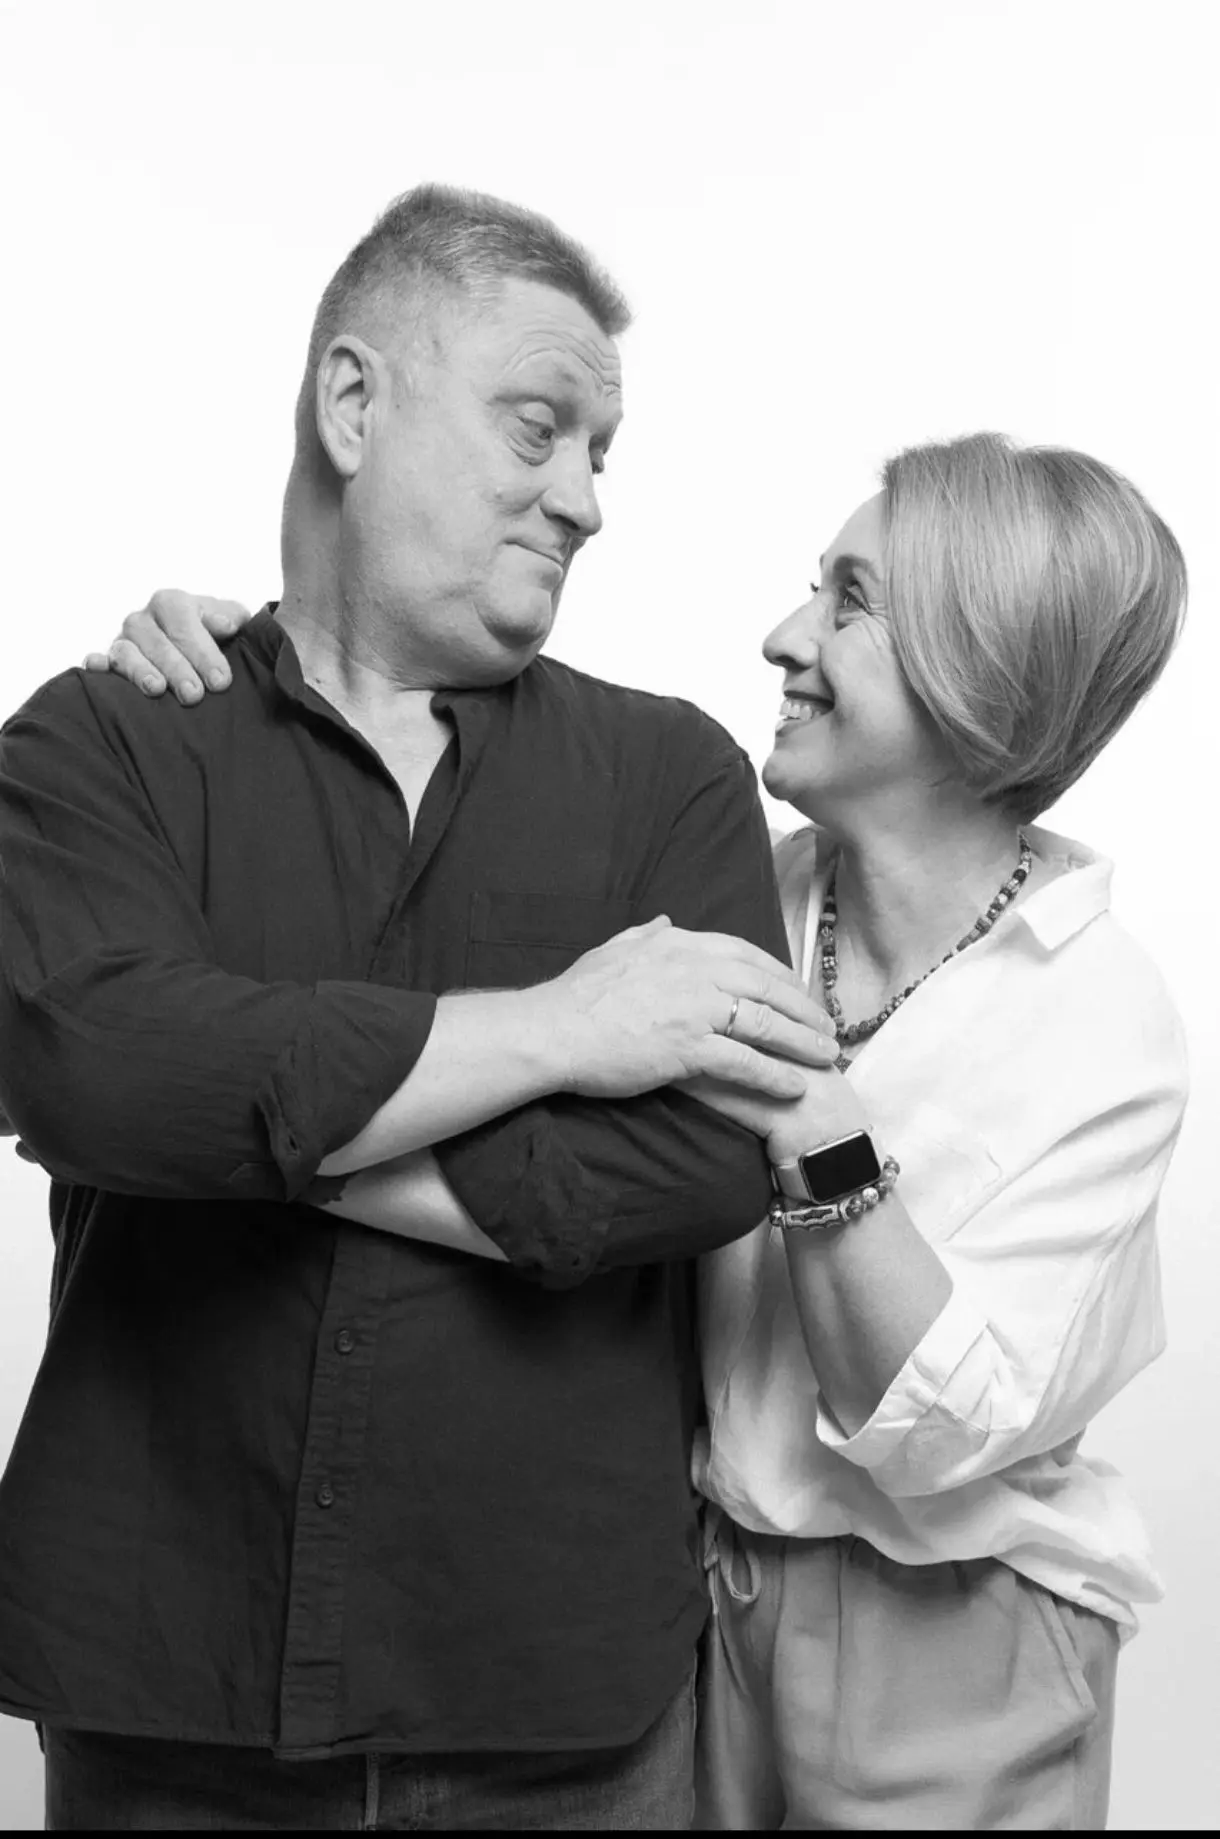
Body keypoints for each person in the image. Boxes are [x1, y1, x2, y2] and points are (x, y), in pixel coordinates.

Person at [111, 431, 1190, 1830]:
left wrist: (813, 1114)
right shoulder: (740, 888)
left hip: (953, 1630)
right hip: (702, 1608)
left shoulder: (1098, 1015)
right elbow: (452, 1034)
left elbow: (933, 1436)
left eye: (851, 602)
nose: (784, 635)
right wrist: (266, 663)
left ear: (980, 677)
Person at [0, 184, 840, 1833]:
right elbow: (90, 1071)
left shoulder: (669, 776)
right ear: (352, 402)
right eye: (540, 428)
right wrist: (567, 1031)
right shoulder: (105, 742)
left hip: (566, 1713)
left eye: (602, 454)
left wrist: (258, 1134)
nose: (585, 499)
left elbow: (698, 1168)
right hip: (174, 1700)